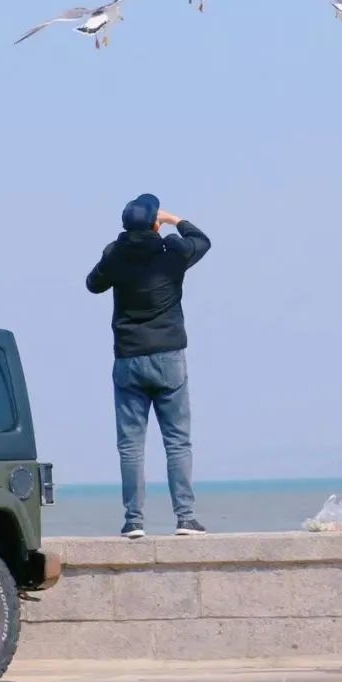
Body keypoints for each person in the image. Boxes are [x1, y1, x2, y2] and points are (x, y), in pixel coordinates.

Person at [86, 193, 211, 539]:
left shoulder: (115, 254)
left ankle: (134, 521)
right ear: (156, 222)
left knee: (130, 445)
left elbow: (93, 284)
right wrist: (177, 221)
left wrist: (113, 252)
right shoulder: (171, 252)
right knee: (177, 442)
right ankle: (185, 517)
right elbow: (202, 241)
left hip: (128, 359)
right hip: (170, 357)